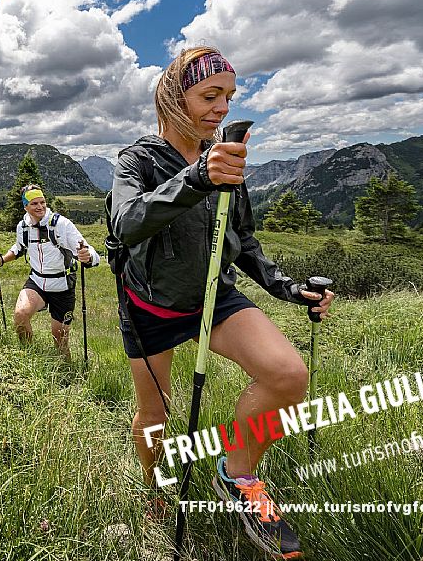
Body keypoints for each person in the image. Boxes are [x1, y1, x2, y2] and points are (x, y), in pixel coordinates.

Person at [110, 46, 334, 560]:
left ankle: (236, 473)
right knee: (154, 417)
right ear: (173, 98)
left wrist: (287, 288)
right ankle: (155, 494)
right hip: (151, 308)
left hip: (216, 297)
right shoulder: (137, 160)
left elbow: (245, 239)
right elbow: (124, 224)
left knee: (288, 376)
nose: (222, 108)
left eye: (229, 97)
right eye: (210, 96)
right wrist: (198, 178)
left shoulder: (226, 161)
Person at [0, 184, 100, 360]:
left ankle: (66, 372)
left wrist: (88, 257)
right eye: (34, 203)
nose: (40, 207)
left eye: (42, 202)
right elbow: (18, 248)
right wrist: (3, 259)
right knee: (20, 315)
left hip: (62, 284)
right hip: (37, 281)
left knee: (60, 338)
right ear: (25, 206)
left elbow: (88, 250)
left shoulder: (61, 225)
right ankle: (28, 358)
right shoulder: (23, 227)